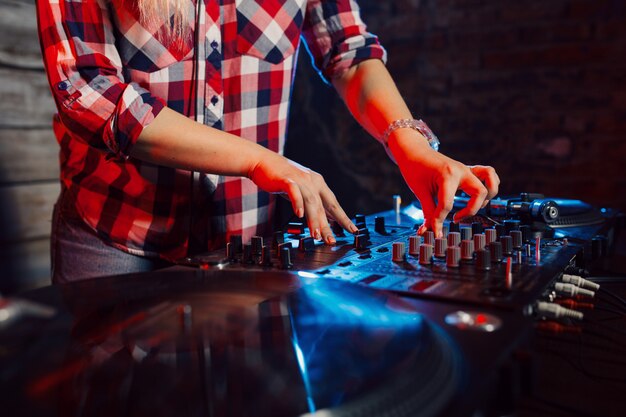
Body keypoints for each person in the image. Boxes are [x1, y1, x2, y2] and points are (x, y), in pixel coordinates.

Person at [37, 0, 499, 283]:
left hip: (245, 247)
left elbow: (350, 52)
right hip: (116, 239)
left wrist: (411, 146)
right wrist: (257, 160)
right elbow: (87, 90)